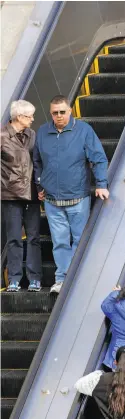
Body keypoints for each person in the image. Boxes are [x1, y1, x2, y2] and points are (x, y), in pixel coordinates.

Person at [33, 95, 109, 294]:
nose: (58, 116)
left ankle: (77, 279)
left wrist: (101, 184)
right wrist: (39, 186)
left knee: (79, 239)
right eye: (55, 113)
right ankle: (61, 279)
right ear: (50, 113)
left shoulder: (83, 131)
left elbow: (99, 158)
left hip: (78, 198)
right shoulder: (42, 132)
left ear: (70, 111)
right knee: (59, 241)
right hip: (51, 200)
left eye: (62, 112)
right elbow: (37, 162)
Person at [1, 100, 42, 292]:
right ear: (19, 117)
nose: (32, 119)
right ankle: (15, 278)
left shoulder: (32, 134)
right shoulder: (2, 135)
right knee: (14, 238)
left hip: (32, 193)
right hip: (10, 194)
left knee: (34, 237)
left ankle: (35, 277)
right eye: (29, 116)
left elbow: (37, 160)